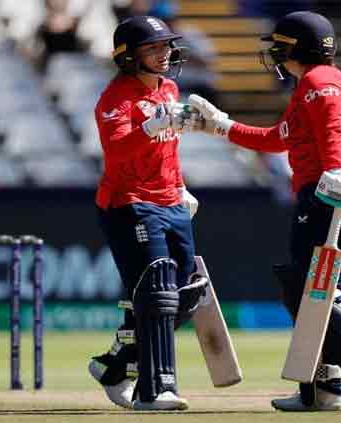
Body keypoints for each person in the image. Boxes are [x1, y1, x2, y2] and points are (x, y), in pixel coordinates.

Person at [187, 11, 341, 413]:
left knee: (319, 292)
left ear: (296, 48)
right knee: (310, 293)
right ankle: (323, 387)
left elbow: (332, 134)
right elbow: (277, 139)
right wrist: (219, 126)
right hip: (334, 186)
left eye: (280, 47)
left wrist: (335, 172)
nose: (274, 54)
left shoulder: (317, 81)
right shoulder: (324, 82)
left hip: (335, 188)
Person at [86, 15, 207, 411]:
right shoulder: (114, 99)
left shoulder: (169, 87)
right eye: (153, 48)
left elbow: (168, 149)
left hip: (169, 199)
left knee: (187, 292)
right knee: (156, 293)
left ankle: (117, 363)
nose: (165, 53)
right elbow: (118, 152)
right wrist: (151, 127)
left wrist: (180, 185)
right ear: (128, 57)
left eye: (166, 46)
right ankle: (156, 390)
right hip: (130, 202)